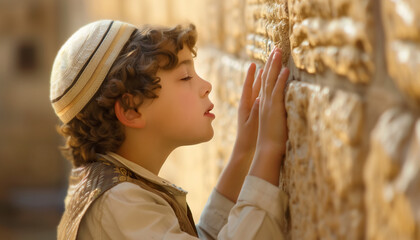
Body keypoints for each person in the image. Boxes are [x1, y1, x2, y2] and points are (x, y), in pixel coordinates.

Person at [50, 19, 290, 239]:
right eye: (186, 77)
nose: (206, 86)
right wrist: (268, 149)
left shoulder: (117, 193)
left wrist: (244, 152)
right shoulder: (118, 203)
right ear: (131, 108)